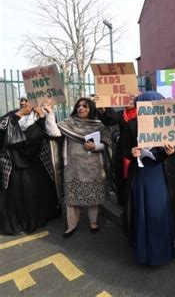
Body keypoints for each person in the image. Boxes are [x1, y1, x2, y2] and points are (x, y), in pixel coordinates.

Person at [121, 91, 175, 266]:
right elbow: (123, 151)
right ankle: (144, 253)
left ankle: (162, 252)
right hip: (141, 176)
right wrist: (132, 152)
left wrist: (168, 153)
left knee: (158, 213)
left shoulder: (165, 124)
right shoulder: (131, 126)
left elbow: (166, 153)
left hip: (158, 174)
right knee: (143, 213)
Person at [48, 98, 113, 239]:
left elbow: (107, 144)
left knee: (93, 196)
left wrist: (96, 146)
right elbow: (53, 133)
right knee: (72, 198)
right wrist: (49, 113)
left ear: (91, 109)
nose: (81, 108)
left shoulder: (99, 125)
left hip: (93, 167)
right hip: (72, 167)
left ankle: (93, 223)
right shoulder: (68, 123)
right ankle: (71, 225)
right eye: (79, 106)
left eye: (85, 106)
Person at [0, 98, 61, 235]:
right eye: (22, 101)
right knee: (16, 193)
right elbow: (2, 132)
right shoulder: (11, 115)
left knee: (35, 191)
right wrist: (19, 115)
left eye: (27, 101)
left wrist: (42, 117)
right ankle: (17, 223)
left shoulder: (41, 116)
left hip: (36, 163)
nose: (24, 103)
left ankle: (37, 220)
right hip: (13, 164)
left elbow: (53, 134)